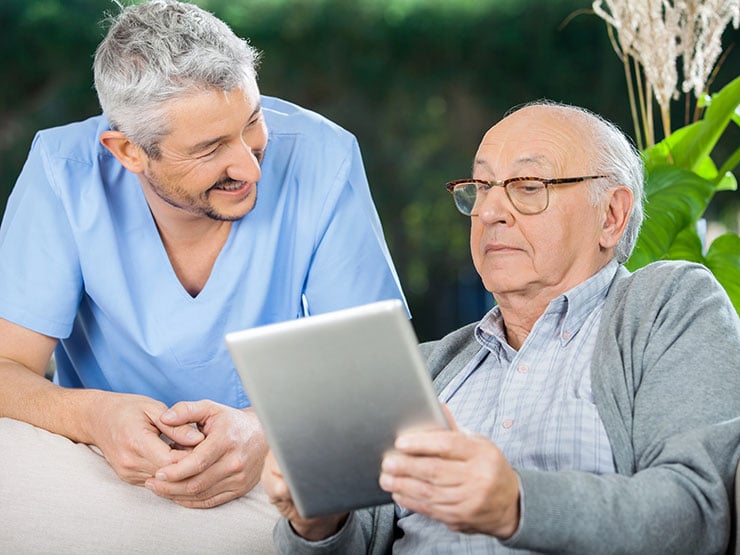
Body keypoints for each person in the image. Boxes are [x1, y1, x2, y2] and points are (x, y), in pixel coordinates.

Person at [0, 0, 406, 552]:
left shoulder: (325, 156)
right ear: (128, 152)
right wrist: (94, 415)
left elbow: (378, 366)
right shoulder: (61, 170)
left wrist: (267, 429)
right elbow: (7, 368)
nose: (252, 166)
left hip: (281, 464)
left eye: (253, 122)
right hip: (106, 466)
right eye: (211, 148)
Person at [264, 100, 740, 554]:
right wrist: (317, 521)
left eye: (528, 186)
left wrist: (515, 503)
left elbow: (695, 513)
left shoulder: (665, 307)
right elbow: (361, 541)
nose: (489, 211)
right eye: (482, 187)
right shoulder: (432, 367)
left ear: (611, 215)